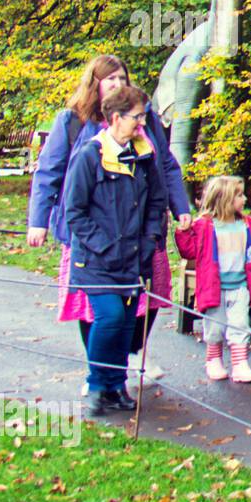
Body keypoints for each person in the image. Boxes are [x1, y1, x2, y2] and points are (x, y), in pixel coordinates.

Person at [26, 54, 190, 385]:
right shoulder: (73, 123)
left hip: (142, 230)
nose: (117, 84)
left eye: (121, 78)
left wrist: (179, 205)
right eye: (110, 79)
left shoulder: (146, 122)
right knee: (96, 306)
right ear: (96, 84)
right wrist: (38, 219)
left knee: (148, 297)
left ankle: (129, 352)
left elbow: (167, 167)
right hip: (93, 236)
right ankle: (100, 373)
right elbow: (49, 172)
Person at [62, 85, 167, 416]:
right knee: (109, 318)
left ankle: (116, 386)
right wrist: (104, 247)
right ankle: (97, 385)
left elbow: (156, 201)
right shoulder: (90, 156)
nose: (141, 123)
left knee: (125, 324)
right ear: (116, 117)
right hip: (96, 261)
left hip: (133, 258)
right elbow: (74, 212)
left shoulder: (143, 154)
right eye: (137, 116)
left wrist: (149, 239)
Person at [174, 175, 251, 383]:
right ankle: (213, 360)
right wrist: (184, 232)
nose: (245, 199)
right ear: (223, 199)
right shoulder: (205, 226)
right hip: (214, 287)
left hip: (240, 286)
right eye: (239, 195)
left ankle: (240, 365)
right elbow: (189, 252)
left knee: (240, 324)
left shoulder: (248, 225)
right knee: (215, 325)